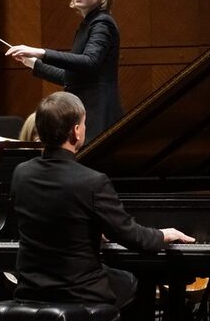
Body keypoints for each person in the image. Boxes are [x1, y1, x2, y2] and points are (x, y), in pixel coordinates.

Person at [12, 91, 194, 307]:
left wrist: (87, 229)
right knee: (135, 279)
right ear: (76, 131)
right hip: (79, 290)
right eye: (83, 124)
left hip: (31, 287)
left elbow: (55, 220)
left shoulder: (20, 173)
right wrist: (164, 234)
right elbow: (135, 238)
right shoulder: (92, 181)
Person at [5, 0, 123, 143]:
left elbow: (89, 61)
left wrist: (41, 53)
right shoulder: (88, 25)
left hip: (98, 117)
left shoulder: (102, 23)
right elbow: (70, 77)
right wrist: (32, 63)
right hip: (83, 115)